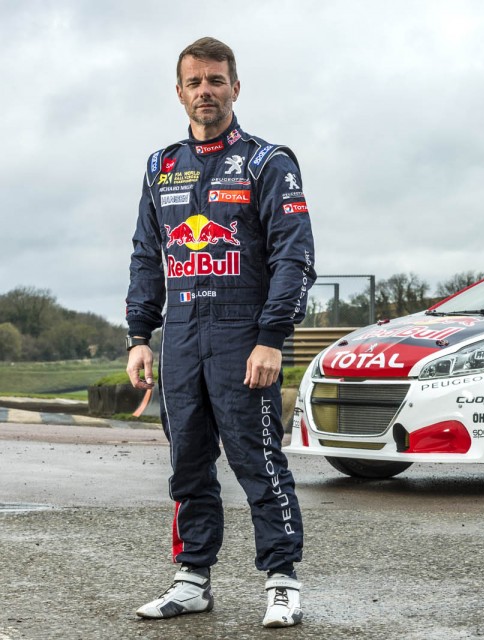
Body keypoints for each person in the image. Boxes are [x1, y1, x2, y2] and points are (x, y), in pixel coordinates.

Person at [125, 36, 316, 628]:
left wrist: (271, 337)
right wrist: (139, 335)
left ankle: (282, 579)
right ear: (179, 92)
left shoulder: (267, 161)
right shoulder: (161, 167)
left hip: (243, 338)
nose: (205, 91)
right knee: (188, 464)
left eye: (215, 80)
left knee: (258, 461)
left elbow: (294, 256)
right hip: (180, 338)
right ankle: (192, 580)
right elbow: (145, 254)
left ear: (236, 86)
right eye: (194, 82)